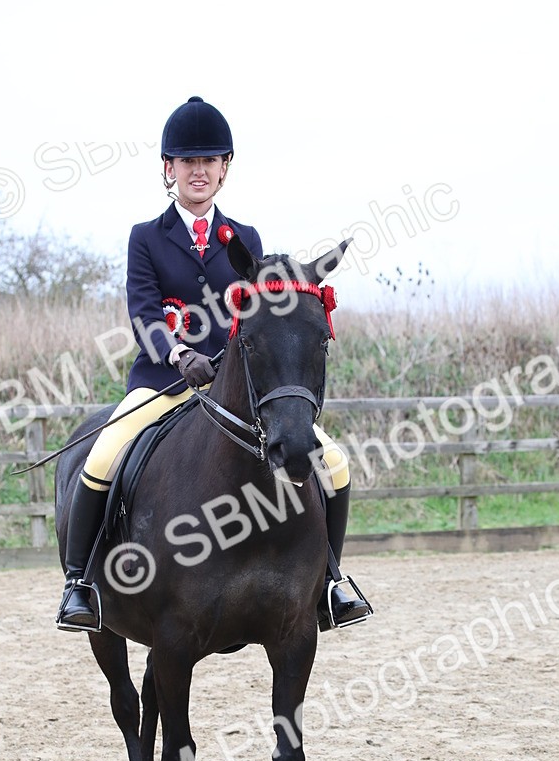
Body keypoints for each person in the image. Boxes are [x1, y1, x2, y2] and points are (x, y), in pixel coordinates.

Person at [57, 95, 372, 633]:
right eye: (187, 161)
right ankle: (79, 584)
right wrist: (178, 354)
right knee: (103, 455)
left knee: (335, 463)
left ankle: (330, 581)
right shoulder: (146, 239)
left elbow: (262, 321)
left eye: (209, 161)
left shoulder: (245, 239)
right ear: (169, 170)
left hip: (234, 389)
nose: (198, 171)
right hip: (162, 382)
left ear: (225, 169)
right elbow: (143, 311)